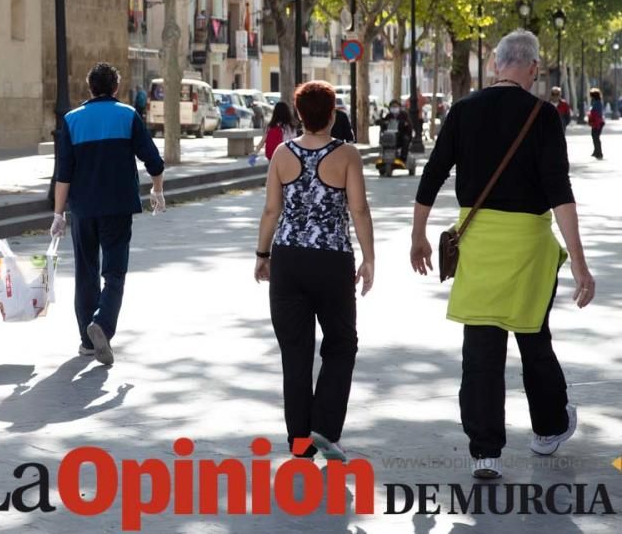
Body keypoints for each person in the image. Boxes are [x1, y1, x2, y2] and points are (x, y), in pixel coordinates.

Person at [410, 29, 596, 480]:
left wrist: (418, 234)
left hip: (478, 244)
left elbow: (433, 173)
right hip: (529, 248)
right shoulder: (543, 116)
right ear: (532, 69)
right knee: (534, 337)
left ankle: (485, 452)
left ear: (496, 65)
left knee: (481, 347)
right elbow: (560, 192)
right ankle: (548, 429)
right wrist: (579, 261)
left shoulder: (463, 111)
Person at [254, 81, 375, 461]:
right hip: (331, 260)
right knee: (341, 344)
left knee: (296, 352)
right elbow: (358, 210)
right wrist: (369, 258)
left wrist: (262, 254)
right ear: (334, 113)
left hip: (288, 259)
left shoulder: (282, 155)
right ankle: (325, 426)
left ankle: (300, 442)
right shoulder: (347, 155)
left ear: (299, 114)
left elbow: (271, 211)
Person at [51, 62, 165, 365]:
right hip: (117, 207)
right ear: (116, 87)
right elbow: (153, 160)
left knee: (85, 272)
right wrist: (157, 189)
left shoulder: (71, 120)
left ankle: (87, 342)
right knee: (114, 273)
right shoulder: (127, 115)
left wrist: (58, 214)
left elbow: (63, 173)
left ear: (90, 87)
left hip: (83, 210)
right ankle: (102, 323)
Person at [249, 101, 293, 165]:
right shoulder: (290, 127)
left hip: (272, 155)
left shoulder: (271, 126)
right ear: (287, 112)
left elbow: (262, 141)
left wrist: (255, 153)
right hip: (285, 156)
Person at [588, 88, 604, 159]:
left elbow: (596, 113)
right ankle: (596, 151)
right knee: (595, 136)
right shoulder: (596, 102)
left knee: (596, 137)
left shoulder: (597, 103)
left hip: (597, 122)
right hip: (597, 122)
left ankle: (599, 152)